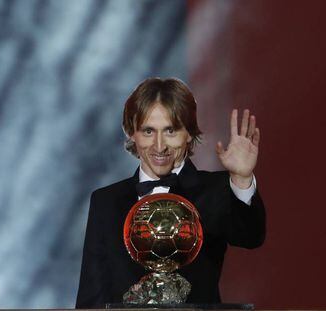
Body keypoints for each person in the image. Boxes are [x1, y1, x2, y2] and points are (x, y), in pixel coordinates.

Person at [75, 78, 265, 308]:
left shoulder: (216, 189)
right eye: (148, 131)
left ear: (189, 133)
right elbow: (92, 295)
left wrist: (242, 178)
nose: (159, 146)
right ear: (132, 134)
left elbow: (250, 236)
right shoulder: (106, 201)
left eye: (170, 131)